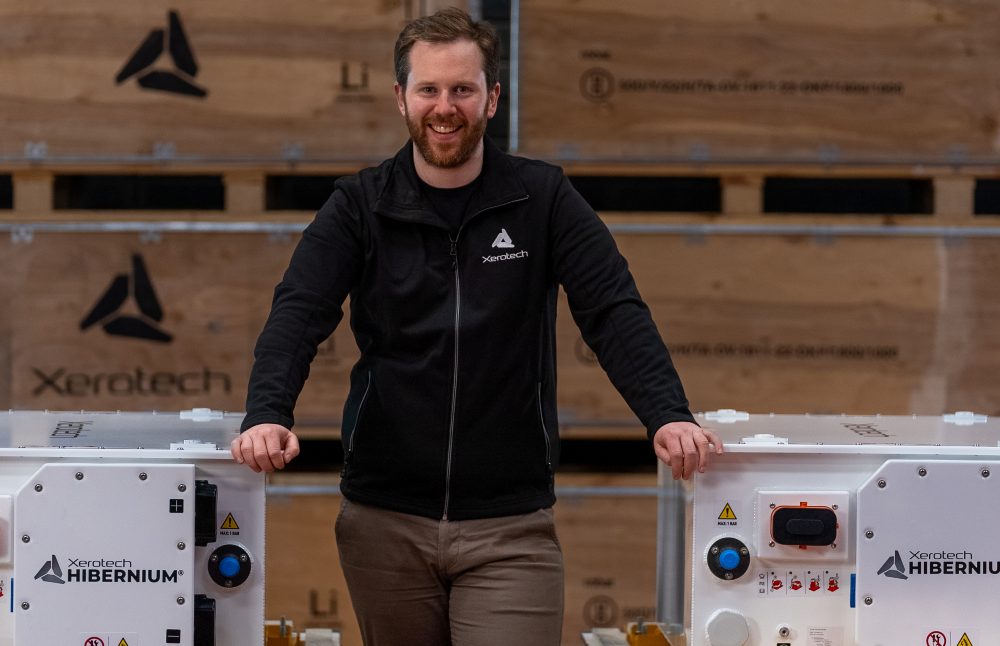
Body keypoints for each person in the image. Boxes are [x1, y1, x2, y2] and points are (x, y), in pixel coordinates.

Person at [231, 7, 722, 645]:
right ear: (400, 98)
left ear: (492, 98)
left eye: (462, 89)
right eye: (428, 89)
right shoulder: (360, 204)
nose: (445, 107)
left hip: (509, 527)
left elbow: (612, 308)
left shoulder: (541, 198)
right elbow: (300, 308)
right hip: (384, 521)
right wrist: (267, 412)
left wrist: (667, 413)